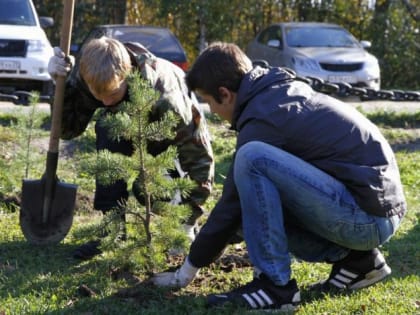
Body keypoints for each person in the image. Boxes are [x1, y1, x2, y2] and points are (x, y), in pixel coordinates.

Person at [151, 42, 407, 311]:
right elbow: (250, 210)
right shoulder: (272, 95)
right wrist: (214, 241)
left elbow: (232, 205)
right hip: (374, 210)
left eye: (209, 101)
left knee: (252, 158)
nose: (212, 111)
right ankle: (360, 263)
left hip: (368, 218)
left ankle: (275, 288)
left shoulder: (264, 118)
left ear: (224, 94)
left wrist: (187, 270)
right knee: (259, 191)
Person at [47, 37, 214, 259]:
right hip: (131, 130)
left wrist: (186, 222)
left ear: (127, 75)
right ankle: (113, 231)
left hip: (170, 152)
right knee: (109, 125)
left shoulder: (166, 98)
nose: (106, 102)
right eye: (99, 97)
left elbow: (201, 161)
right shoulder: (97, 75)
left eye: (113, 95)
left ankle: (179, 223)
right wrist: (60, 83)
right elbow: (66, 130)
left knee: (146, 191)